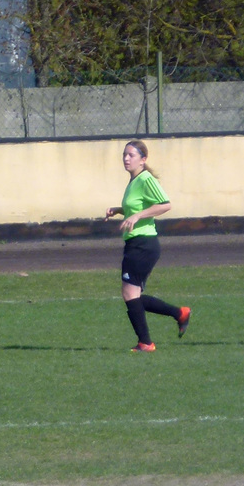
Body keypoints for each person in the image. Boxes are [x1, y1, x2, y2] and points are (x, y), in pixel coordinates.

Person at [105, 139, 191, 352]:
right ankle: (179, 314)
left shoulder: (145, 178)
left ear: (143, 160)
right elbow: (138, 207)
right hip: (136, 243)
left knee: (130, 294)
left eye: (131, 155)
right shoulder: (134, 180)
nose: (126, 159)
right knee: (132, 296)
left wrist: (137, 216)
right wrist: (120, 210)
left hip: (143, 244)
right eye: (124, 155)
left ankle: (146, 342)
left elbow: (165, 205)